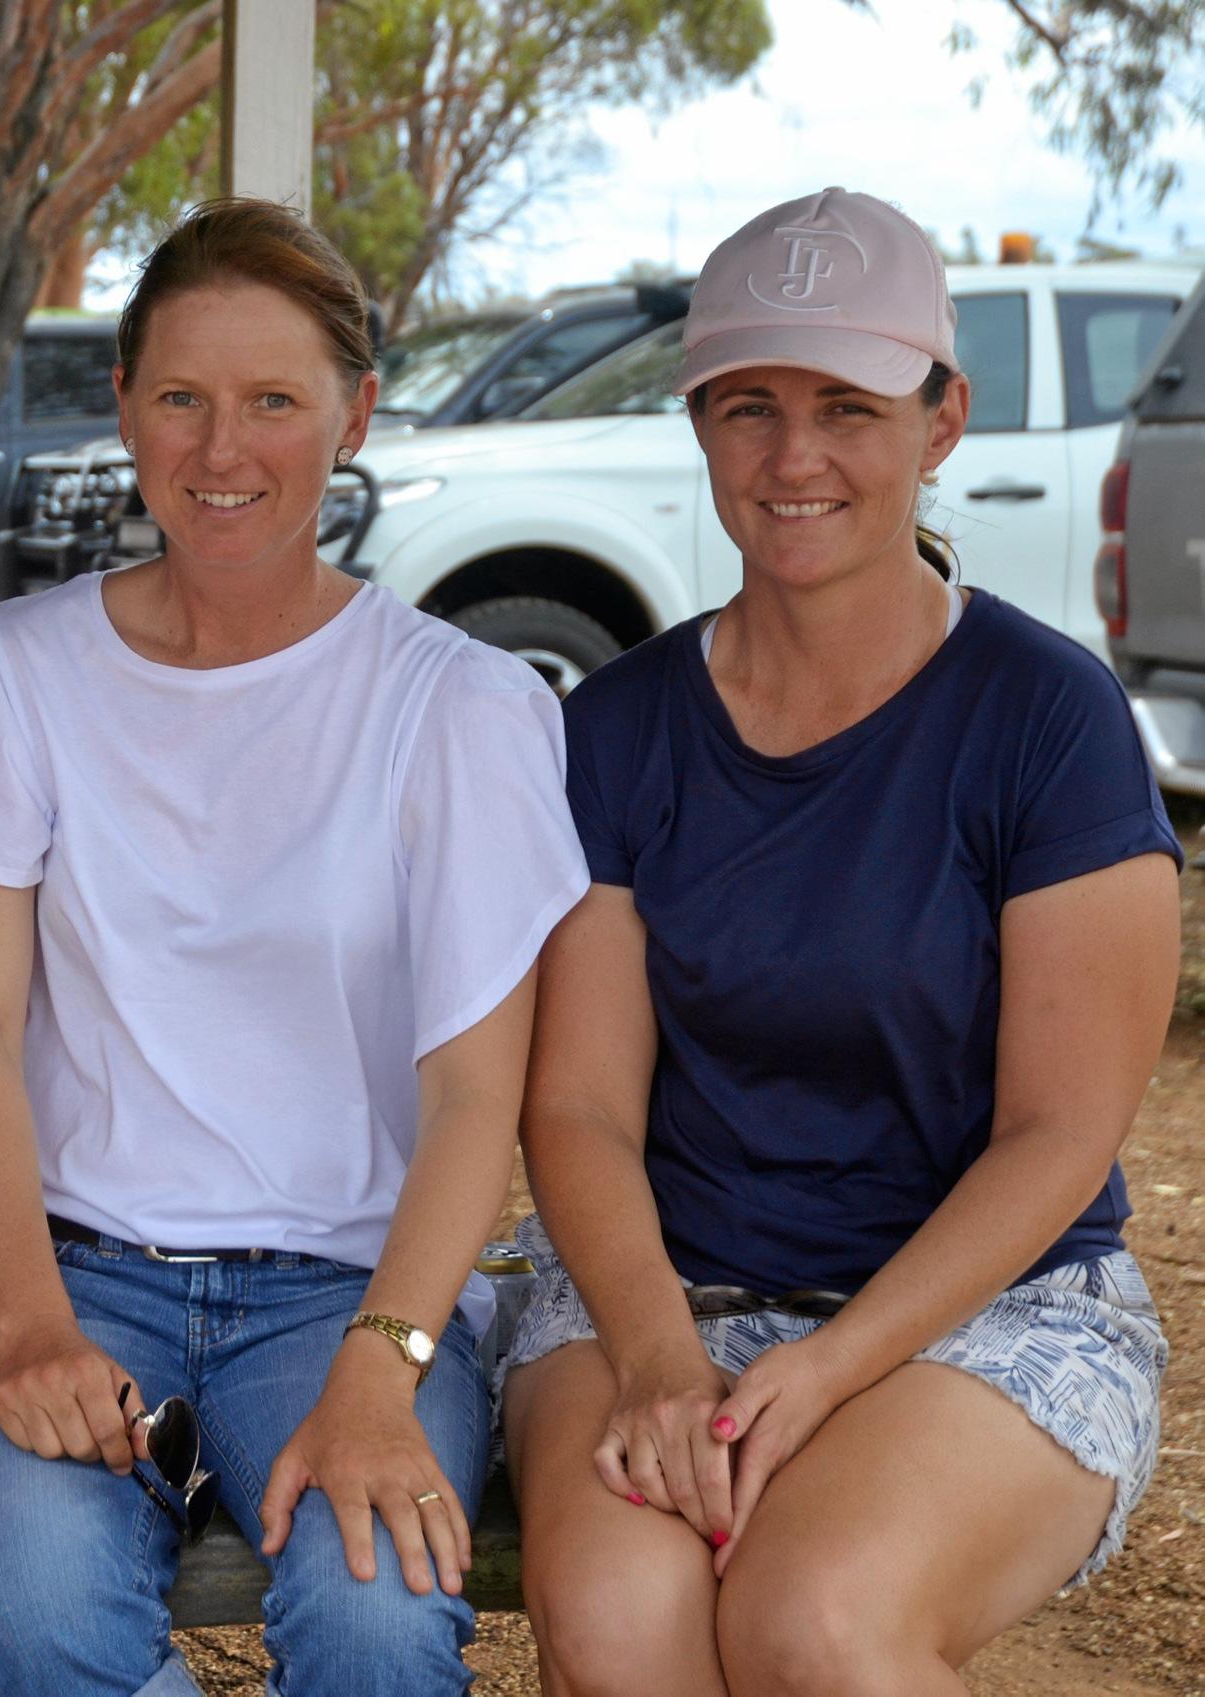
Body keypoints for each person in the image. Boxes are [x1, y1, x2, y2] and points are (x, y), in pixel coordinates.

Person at [0, 197, 589, 1697]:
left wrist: (384, 1362)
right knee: (35, 1613)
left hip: (344, 1283)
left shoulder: (456, 707)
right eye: (182, 399)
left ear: (350, 415)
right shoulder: (8, 676)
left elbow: (479, 1096)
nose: (223, 454)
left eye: (273, 401)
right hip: (74, 1268)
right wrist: (22, 1324)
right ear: (124, 406)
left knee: (372, 1623)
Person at [503, 187, 1178, 1697]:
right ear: (695, 420)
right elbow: (581, 1108)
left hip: (984, 1305)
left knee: (813, 1620)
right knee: (618, 1625)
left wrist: (827, 1366)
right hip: (656, 1290)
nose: (791, 458)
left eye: (844, 406)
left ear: (940, 419)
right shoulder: (614, 728)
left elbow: (1058, 1133)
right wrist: (668, 1359)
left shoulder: (1045, 718)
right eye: (747, 407)